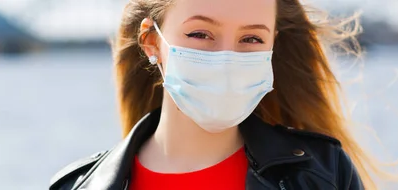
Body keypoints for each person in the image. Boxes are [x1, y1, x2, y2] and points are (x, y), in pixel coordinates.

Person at [50, 0, 375, 189]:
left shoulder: (323, 173)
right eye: (200, 34)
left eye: (251, 39)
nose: (226, 60)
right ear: (152, 41)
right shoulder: (77, 187)